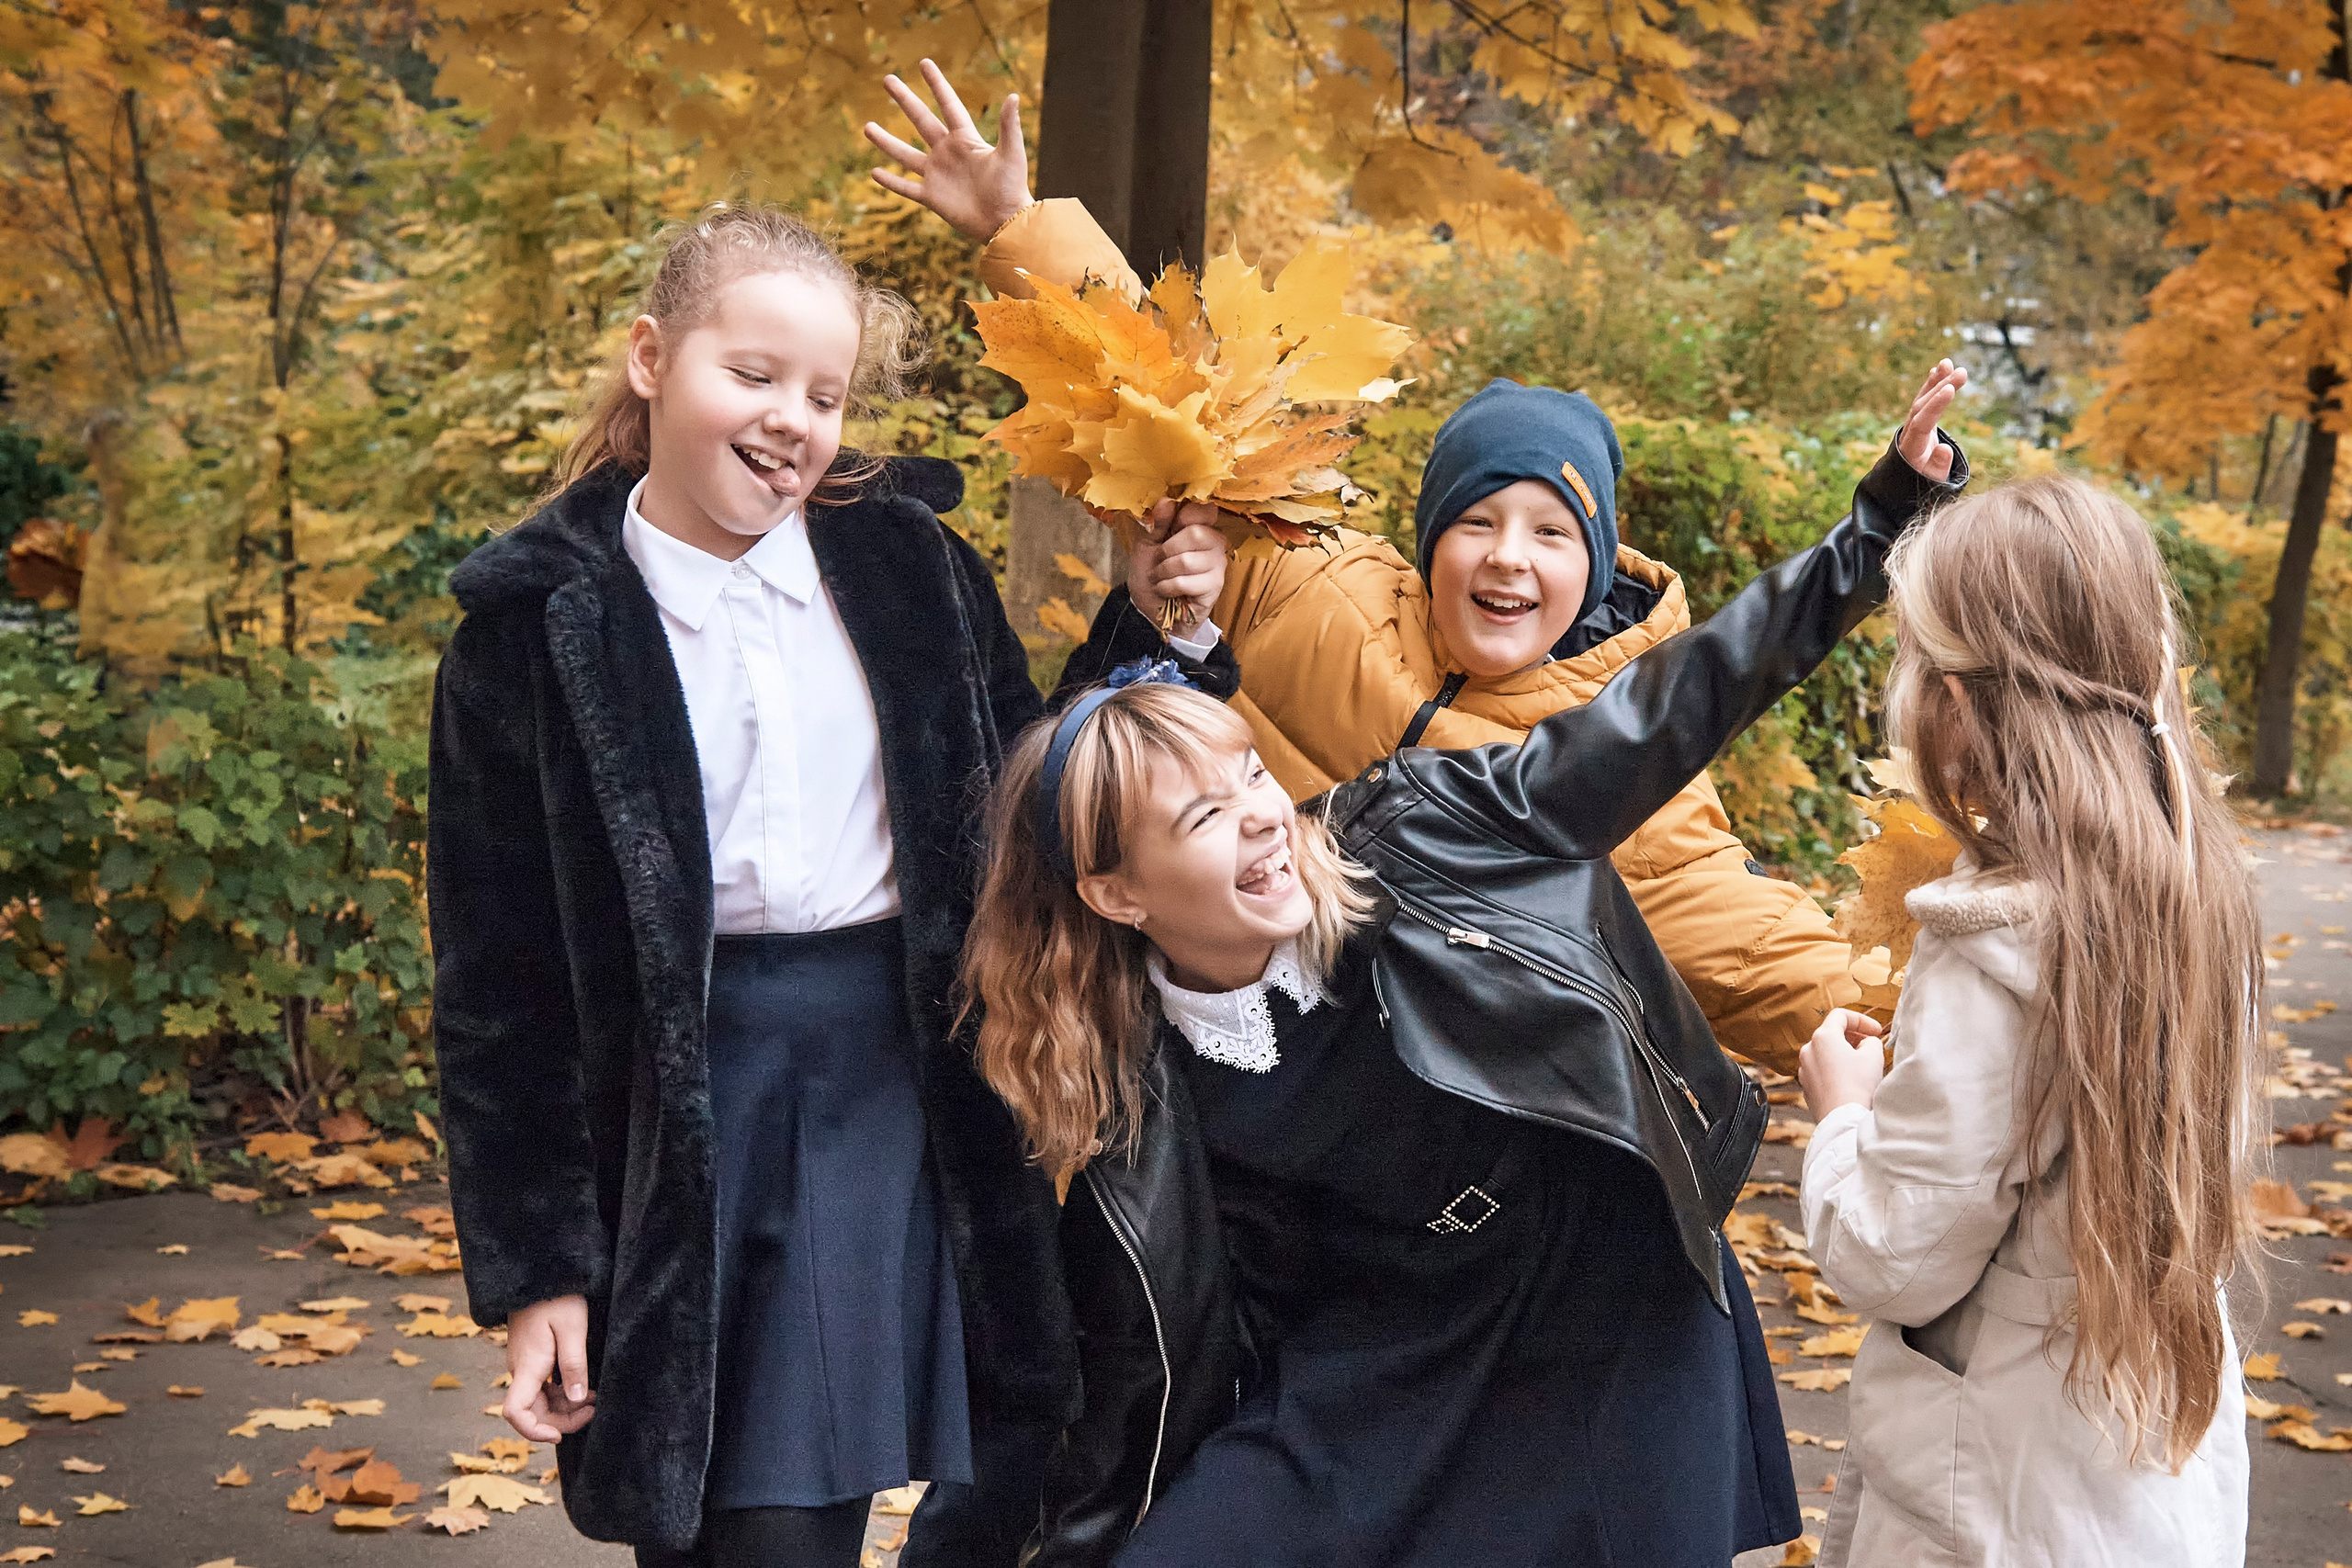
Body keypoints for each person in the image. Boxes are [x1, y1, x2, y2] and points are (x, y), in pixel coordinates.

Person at [955, 360, 1966, 1565]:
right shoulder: (1114, 1064)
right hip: (1379, 1349)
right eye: (1203, 819)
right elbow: (1120, 1375)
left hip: (1593, 1285)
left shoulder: (1422, 820)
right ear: (1117, 894)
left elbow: (1686, 698)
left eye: (1251, 782)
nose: (1264, 816)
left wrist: (1879, 522)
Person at [865, 62, 1963, 1073]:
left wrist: (1968, 1021)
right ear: (1430, 536)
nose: (1508, 558)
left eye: (1551, 534)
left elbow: (1751, 949)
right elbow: (1162, 405)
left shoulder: (1628, 743)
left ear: (1595, 563)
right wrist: (1015, 224)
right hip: (1225, 1062)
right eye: (1478, 522)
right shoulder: (1304, 578)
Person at [426, 200, 1235, 1568]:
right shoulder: (532, 635)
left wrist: (1162, 627)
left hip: (895, 1094)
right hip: (675, 1124)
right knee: (704, 1527)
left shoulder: (907, 563)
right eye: (752, 375)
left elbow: (1035, 787)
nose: (793, 419)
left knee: (791, 1523)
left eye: (826, 391)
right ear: (649, 359)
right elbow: (497, 988)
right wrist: (541, 1272)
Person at [1795, 475, 2260, 1566]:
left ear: (1958, 701)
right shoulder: (2198, 905)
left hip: (1991, 1498)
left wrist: (1842, 1120)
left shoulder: (1989, 947)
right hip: (2144, 1472)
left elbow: (1894, 1257)